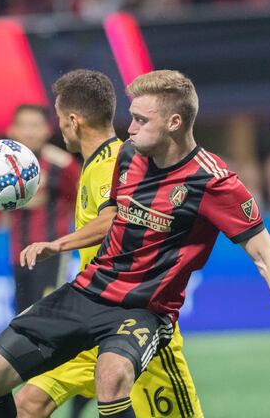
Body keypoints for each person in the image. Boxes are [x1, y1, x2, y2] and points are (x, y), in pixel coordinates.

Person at [0, 70, 270, 418]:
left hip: (144, 309)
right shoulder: (128, 156)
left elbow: (268, 259)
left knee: (110, 379)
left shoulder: (214, 183)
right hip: (89, 291)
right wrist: (59, 245)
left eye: (142, 120)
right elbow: (112, 215)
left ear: (174, 123)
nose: (129, 128)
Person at [12, 69, 204, 418]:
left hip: (132, 323)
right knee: (28, 403)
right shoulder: (91, 163)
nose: (58, 127)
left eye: (58, 118)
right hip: (93, 320)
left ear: (74, 120)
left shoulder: (113, 162)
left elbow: (114, 218)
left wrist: (57, 244)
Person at [0, 104, 81, 314]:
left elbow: (82, 200)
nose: (29, 132)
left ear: (46, 130)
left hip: (51, 253)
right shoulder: (2, 168)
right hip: (19, 255)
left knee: (48, 315)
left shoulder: (61, 165)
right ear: (12, 131)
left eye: (35, 125)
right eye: (24, 125)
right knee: (23, 317)